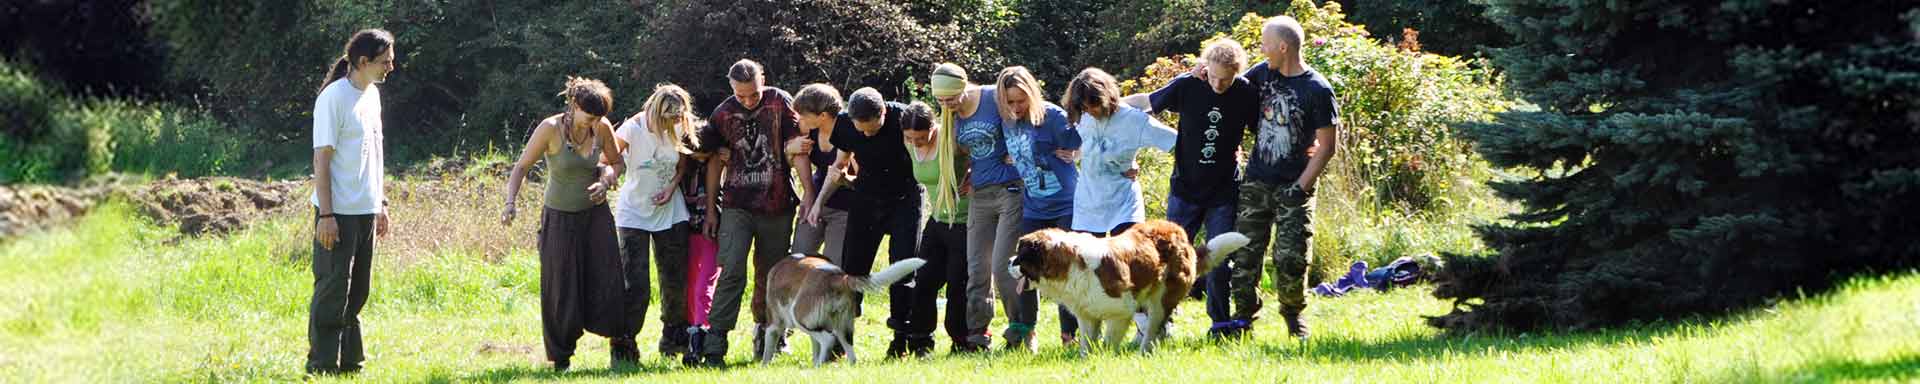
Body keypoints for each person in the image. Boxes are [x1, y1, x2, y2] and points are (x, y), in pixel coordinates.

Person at [1197, 16, 1342, 340]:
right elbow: (1227, 81)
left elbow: (1328, 146)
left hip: (1295, 186)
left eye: (1264, 43)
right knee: (1245, 255)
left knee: (1291, 259)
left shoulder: (1317, 89)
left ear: (1283, 47)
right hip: (1257, 182)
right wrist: (1201, 69)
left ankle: (1293, 316)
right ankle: (1243, 319)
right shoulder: (1261, 74)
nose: (1260, 49)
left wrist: (1300, 187)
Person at [1119, 39, 1260, 339]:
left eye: (1226, 78)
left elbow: (1259, 127)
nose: (1219, 84)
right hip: (1184, 190)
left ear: (1237, 73)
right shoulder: (1188, 85)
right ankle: (1159, 324)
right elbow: (1148, 103)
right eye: (1213, 76)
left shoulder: (1247, 91)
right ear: (1204, 67)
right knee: (1166, 259)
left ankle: (1220, 325)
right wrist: (1109, 103)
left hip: (1223, 192)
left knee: (1220, 261)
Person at [500, 77, 630, 372]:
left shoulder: (602, 127)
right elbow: (521, 166)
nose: (594, 122)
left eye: (599, 117)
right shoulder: (550, 128)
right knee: (561, 286)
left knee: (607, 278)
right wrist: (510, 203)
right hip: (559, 217)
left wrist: (606, 180)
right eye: (589, 116)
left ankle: (619, 345)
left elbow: (617, 162)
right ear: (574, 105)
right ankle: (561, 357)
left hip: (595, 217)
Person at [695, 59, 809, 366]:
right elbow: (713, 160)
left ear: (763, 82)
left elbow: (798, 147)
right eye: (741, 95)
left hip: (777, 204)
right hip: (736, 205)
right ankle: (715, 343)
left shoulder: (781, 102)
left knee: (771, 275)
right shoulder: (721, 114)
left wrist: (809, 194)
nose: (747, 100)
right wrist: (710, 209)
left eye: (753, 94)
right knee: (731, 270)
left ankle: (768, 334)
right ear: (731, 88)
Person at [807, 88, 925, 357]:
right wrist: (819, 202)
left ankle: (901, 339)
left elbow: (931, 143)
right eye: (860, 130)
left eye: (871, 129)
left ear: (883, 113)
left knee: (903, 268)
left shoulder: (904, 118)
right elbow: (838, 166)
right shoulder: (846, 126)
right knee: (852, 270)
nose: (865, 134)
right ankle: (840, 340)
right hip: (867, 198)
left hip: (905, 198)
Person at [307, 28, 395, 376]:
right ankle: (322, 364)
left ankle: (350, 364)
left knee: (358, 290)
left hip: (365, 210)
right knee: (332, 289)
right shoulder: (333, 98)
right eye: (385, 61)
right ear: (363, 61)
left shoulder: (372, 95)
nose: (392, 66)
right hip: (337, 212)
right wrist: (325, 215)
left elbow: (375, 153)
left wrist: (381, 202)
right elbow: (321, 161)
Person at [929, 63, 1020, 351]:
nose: (947, 105)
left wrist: (1020, 152)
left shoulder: (994, 97)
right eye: (940, 101)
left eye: (951, 98)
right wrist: (967, 173)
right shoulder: (951, 118)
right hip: (980, 194)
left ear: (963, 87)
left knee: (1004, 266)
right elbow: (964, 152)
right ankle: (978, 336)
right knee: (977, 269)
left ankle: (1020, 331)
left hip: (1011, 190)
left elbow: (1032, 116)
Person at [993, 66, 1085, 347]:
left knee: (1066, 270)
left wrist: (1076, 152)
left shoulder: (1052, 116)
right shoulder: (1006, 121)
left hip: (1066, 203)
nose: (1016, 107)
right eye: (1010, 101)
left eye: (1021, 101)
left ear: (1031, 95)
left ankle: (1070, 335)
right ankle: (1028, 332)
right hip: (1033, 206)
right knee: (1025, 268)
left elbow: (1085, 140)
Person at [611, 84, 699, 360]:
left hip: (671, 213)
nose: (674, 124)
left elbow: (682, 163)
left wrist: (672, 187)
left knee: (674, 282)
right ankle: (624, 346)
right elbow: (608, 158)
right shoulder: (632, 129)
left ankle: (673, 341)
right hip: (633, 213)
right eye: (669, 119)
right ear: (655, 111)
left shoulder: (679, 124)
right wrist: (608, 176)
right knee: (635, 285)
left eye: (678, 118)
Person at [1060, 67, 1177, 238]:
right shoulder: (1082, 116)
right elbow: (1081, 145)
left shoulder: (1134, 120)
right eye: (1085, 107)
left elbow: (1177, 144)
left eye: (1093, 106)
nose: (1090, 111)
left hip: (1124, 202)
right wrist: (1074, 155)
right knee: (1087, 260)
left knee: (1127, 257)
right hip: (1088, 201)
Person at [902, 101, 975, 355]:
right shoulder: (908, 143)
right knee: (924, 281)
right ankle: (921, 341)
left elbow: (984, 152)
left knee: (958, 284)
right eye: (910, 138)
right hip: (937, 220)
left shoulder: (951, 139)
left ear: (933, 127)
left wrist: (974, 173)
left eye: (921, 138)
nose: (915, 143)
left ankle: (962, 341)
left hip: (965, 220)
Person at [790, 84, 855, 265]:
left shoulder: (849, 129)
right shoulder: (809, 128)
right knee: (797, 259)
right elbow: (794, 155)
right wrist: (790, 149)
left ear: (823, 115)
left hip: (845, 207)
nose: (800, 118)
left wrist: (818, 203)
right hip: (816, 198)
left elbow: (838, 168)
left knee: (834, 268)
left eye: (804, 115)